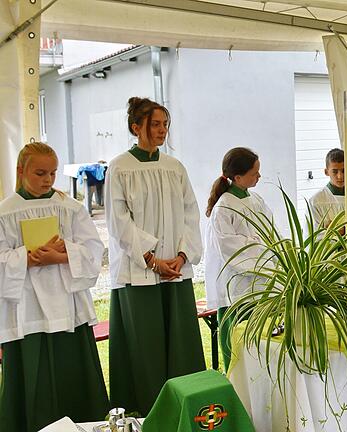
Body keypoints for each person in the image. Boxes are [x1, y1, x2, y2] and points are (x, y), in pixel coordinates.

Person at [0, 142, 109, 432]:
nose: (48, 180)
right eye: (39, 173)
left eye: (52, 173)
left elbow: (94, 250)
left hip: (68, 308)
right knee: (33, 382)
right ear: (21, 170)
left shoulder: (69, 208)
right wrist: (28, 258)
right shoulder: (5, 211)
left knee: (73, 376)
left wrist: (60, 255)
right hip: (26, 312)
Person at [105, 97, 205, 415]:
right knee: (144, 348)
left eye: (165, 124)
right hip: (139, 274)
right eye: (156, 124)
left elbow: (191, 213)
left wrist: (181, 254)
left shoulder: (174, 167)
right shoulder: (120, 167)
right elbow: (118, 221)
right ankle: (147, 411)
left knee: (181, 346)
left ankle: (184, 408)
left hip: (174, 271)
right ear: (136, 127)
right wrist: (150, 260)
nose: (162, 130)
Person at [204, 147, 273, 371]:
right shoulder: (224, 208)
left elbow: (270, 232)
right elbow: (231, 250)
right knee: (239, 344)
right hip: (237, 288)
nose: (259, 176)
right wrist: (261, 251)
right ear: (238, 177)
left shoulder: (257, 200)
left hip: (261, 283)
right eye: (255, 173)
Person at [308, 148, 345, 229]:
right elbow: (314, 236)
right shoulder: (316, 200)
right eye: (335, 171)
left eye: (343, 171)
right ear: (326, 172)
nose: (340, 176)